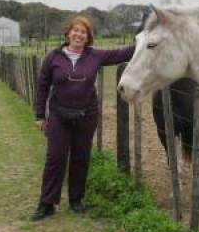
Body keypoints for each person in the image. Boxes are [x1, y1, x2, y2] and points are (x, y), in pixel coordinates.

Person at [31, 16, 135, 221]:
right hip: (59, 116)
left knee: (81, 158)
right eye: (75, 30)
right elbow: (43, 85)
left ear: (88, 37)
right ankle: (47, 204)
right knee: (55, 158)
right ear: (68, 33)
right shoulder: (54, 57)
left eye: (83, 32)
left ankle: (76, 201)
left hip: (86, 116)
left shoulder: (94, 56)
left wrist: (144, 41)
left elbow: (121, 53)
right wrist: (40, 115)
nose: (79, 35)